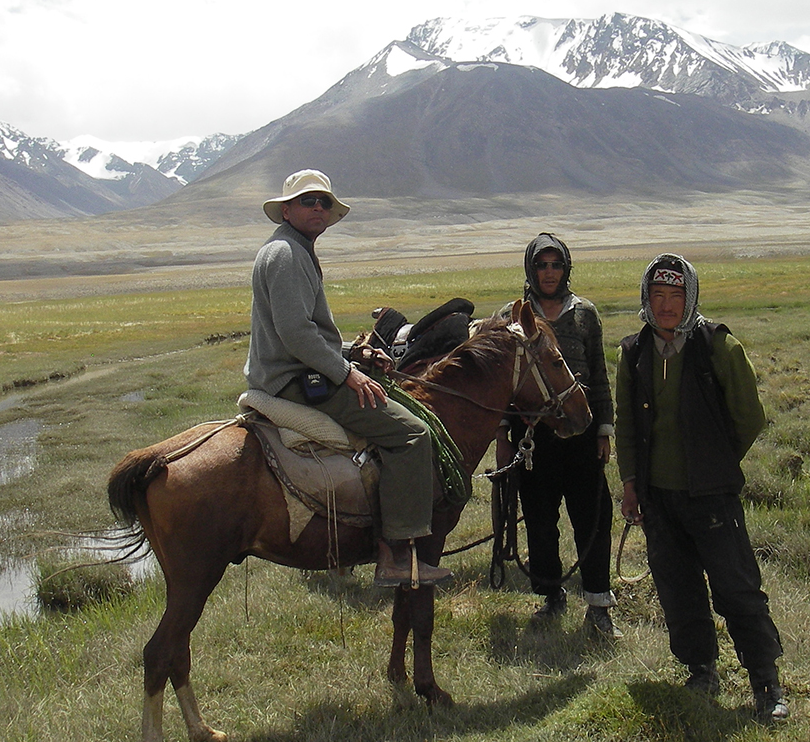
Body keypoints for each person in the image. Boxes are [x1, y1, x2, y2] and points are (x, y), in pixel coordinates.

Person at [244, 169, 451, 588]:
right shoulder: (286, 254)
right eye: (307, 201)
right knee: (411, 434)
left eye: (323, 201)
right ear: (287, 209)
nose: (317, 207)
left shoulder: (293, 249)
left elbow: (305, 333)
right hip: (294, 382)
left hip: (295, 370)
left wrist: (352, 353)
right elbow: (297, 334)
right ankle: (395, 556)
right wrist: (348, 373)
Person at [615, 253, 788, 721]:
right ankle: (700, 669)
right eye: (658, 295)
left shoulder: (719, 347)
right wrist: (631, 484)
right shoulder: (633, 353)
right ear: (646, 299)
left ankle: (765, 680)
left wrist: (715, 460)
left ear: (690, 297)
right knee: (678, 587)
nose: (667, 306)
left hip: (712, 495)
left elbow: (749, 418)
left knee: (736, 586)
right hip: (657, 498)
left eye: (676, 296)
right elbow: (626, 425)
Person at [496, 234, 619, 638]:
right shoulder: (510, 317)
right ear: (530, 269)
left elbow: (598, 373)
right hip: (531, 438)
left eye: (556, 264)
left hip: (581, 432)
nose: (549, 272)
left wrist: (603, 428)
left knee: (593, 519)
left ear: (566, 268)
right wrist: (502, 434)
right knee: (540, 521)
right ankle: (551, 597)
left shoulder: (585, 314)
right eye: (542, 265)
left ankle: (599, 604)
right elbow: (498, 384)